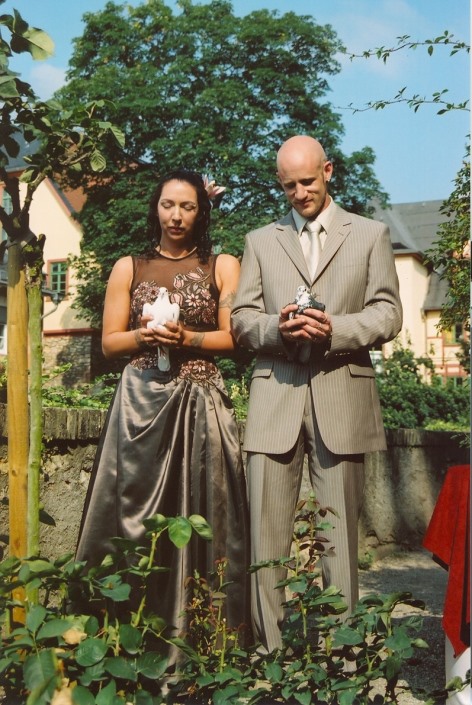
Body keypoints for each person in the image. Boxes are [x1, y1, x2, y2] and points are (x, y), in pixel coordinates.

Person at [231, 135, 402, 653]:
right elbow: (241, 320)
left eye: (307, 181)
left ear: (328, 171)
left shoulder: (370, 234)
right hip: (274, 399)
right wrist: (276, 330)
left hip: (342, 399)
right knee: (266, 541)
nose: (300, 193)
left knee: (338, 543)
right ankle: (269, 656)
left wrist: (336, 329)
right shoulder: (260, 241)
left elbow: (388, 313)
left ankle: (342, 660)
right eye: (289, 186)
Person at [76, 168, 251, 658]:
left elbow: (235, 339)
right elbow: (109, 343)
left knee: (204, 514)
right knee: (132, 512)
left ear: (202, 211)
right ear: (155, 208)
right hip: (139, 403)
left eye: (188, 206)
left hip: (200, 403)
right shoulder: (127, 267)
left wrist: (186, 338)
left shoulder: (223, 265)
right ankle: (124, 638)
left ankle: (205, 644)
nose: (177, 215)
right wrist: (143, 335)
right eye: (168, 205)